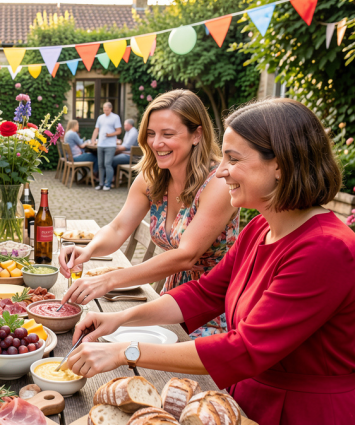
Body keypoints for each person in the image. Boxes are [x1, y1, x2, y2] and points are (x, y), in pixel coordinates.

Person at [66, 98, 355, 425]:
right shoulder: (260, 229)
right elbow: (204, 293)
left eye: (233, 159)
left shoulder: (326, 249)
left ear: (279, 163)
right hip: (243, 409)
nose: (222, 171)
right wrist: (120, 320)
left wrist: (127, 351)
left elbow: (246, 349)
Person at [61, 90, 238, 339]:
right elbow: (118, 227)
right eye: (151, 134)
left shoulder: (218, 183)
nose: (156, 143)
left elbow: (186, 256)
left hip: (214, 307)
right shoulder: (152, 177)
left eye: (168, 134)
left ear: (196, 134)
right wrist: (87, 250)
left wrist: (109, 280)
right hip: (169, 304)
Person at [90, 102, 121, 190]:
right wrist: (93, 140)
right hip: (100, 144)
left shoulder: (115, 117)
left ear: (111, 109)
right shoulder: (100, 117)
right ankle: (101, 183)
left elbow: (119, 131)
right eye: (104, 109)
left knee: (107, 164)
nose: (105, 110)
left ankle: (108, 184)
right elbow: (96, 129)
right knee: (100, 164)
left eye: (107, 109)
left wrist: (110, 135)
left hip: (110, 145)